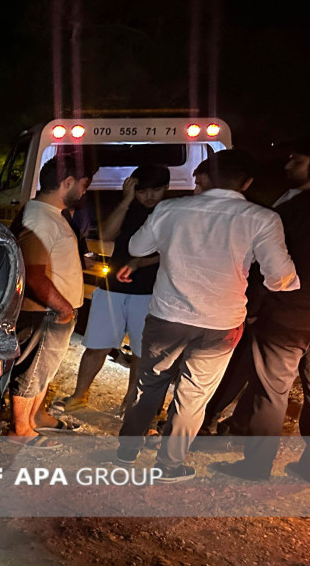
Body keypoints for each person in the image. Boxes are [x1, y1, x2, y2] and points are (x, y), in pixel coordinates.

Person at [116, 149, 300, 480]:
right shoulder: (262, 218)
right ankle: (169, 465)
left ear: (201, 178)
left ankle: (126, 451)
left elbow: (137, 248)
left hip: (167, 316)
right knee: (194, 395)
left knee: (150, 383)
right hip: (221, 322)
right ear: (246, 182)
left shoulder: (170, 209)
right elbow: (280, 278)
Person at [212, 139, 310, 480]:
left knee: (271, 391)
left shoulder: (291, 211)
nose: (288, 164)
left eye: (296, 159)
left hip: (287, 317)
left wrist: (253, 308)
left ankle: (256, 466)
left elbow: (268, 265)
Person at [61, 165, 170, 413]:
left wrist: (143, 262)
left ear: (166, 188)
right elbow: (107, 235)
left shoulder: (170, 211)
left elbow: (175, 251)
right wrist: (126, 200)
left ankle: (131, 401)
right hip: (112, 289)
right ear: (133, 187)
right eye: (143, 191)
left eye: (156, 190)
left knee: (142, 353)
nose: (149, 196)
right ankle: (80, 395)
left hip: (150, 292)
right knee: (96, 346)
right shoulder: (128, 206)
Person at [7, 154, 94, 444]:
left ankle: (37, 416)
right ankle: (20, 430)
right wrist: (62, 307)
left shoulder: (49, 214)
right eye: (83, 185)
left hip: (52, 312)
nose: (84, 191)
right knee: (31, 371)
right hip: (44, 312)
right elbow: (32, 273)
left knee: (44, 369)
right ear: (67, 182)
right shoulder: (39, 218)